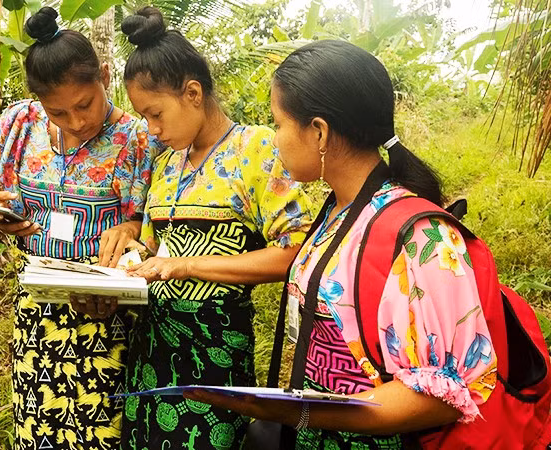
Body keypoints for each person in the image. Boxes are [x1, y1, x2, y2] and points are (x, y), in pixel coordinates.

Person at [185, 40, 500, 448]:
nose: (275, 139)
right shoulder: (337, 211)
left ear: (319, 131)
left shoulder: (422, 236)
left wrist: (300, 412)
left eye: (278, 123)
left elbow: (451, 390)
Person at [0, 7, 162, 449]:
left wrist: (129, 230)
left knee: (101, 428)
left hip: (105, 308)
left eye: (84, 105)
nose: (75, 122)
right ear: (38, 102)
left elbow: (150, 223)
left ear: (105, 76)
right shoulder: (20, 123)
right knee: (39, 428)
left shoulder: (136, 138)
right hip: (39, 305)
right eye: (58, 112)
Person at [116, 7, 312, 449]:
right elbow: (151, 249)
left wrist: (188, 266)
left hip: (214, 356)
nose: (152, 129)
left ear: (192, 92)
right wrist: (127, 261)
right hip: (149, 355)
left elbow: (296, 253)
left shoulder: (257, 150)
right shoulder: (166, 164)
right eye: (143, 118)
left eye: (156, 113)